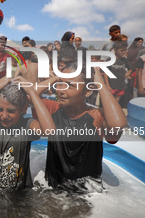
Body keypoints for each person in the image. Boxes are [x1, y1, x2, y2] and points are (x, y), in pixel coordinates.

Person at [34, 64, 127, 192]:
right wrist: (57, 77)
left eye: (70, 85)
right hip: (53, 186)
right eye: (60, 84)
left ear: (88, 91)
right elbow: (31, 96)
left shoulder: (97, 117)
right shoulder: (53, 109)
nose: (60, 90)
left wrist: (101, 85)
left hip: (88, 194)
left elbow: (118, 125)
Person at [0, 76, 56, 189]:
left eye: (11, 111)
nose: (4, 116)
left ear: (23, 109)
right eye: (0, 109)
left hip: (19, 191)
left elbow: (49, 131)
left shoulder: (27, 125)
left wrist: (32, 92)